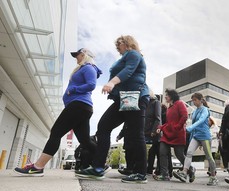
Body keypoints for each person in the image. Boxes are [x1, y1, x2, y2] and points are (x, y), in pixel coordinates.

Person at [14, 48, 102, 176]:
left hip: (78, 105)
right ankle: (101, 163)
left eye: (77, 55)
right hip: (81, 107)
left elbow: (91, 85)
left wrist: (73, 90)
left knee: (56, 133)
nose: (76, 58)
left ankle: (38, 167)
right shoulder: (84, 68)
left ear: (84, 55)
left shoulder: (89, 68)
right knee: (85, 140)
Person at [75, 35, 149, 183]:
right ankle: (97, 168)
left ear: (126, 43)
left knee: (136, 134)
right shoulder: (124, 57)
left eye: (119, 45)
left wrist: (112, 82)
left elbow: (128, 71)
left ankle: (140, 173)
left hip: (135, 97)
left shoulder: (133, 54)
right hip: (123, 99)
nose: (117, 48)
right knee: (103, 127)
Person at [173, 92, 218, 186]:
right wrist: (190, 136)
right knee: (189, 153)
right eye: (192, 100)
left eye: (195, 100)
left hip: (205, 136)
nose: (193, 102)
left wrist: (190, 128)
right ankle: (184, 173)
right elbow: (192, 122)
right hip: (196, 136)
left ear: (201, 100)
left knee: (209, 157)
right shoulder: (194, 112)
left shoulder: (205, 110)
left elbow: (201, 120)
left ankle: (213, 177)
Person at [153, 89, 189, 181]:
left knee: (179, 155)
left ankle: (191, 169)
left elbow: (185, 116)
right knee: (162, 152)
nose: (165, 97)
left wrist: (177, 127)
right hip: (167, 134)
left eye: (167, 95)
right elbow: (169, 123)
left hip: (178, 134)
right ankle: (165, 175)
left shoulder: (180, 103)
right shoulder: (169, 107)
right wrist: (160, 127)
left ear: (172, 96)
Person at [145, 90, 162, 175]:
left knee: (158, 152)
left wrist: (154, 130)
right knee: (151, 152)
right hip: (146, 130)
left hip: (154, 131)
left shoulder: (156, 102)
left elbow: (158, 118)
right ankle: (148, 169)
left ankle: (159, 170)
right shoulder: (146, 103)